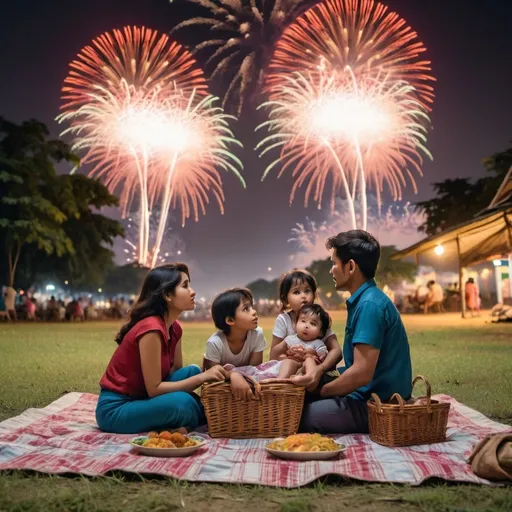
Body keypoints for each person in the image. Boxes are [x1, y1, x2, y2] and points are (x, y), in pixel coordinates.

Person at [296, 230, 412, 434]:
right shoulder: (367, 299)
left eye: (334, 263)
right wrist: (320, 373)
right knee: (298, 390)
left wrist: (322, 391)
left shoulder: (369, 306)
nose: (331, 270)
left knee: (295, 416)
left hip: (377, 404)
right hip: (368, 392)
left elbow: (360, 374)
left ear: (350, 266)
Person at [95, 263, 227, 434]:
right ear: (167, 295)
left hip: (142, 396)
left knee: (192, 371)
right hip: (116, 409)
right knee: (183, 403)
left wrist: (200, 375)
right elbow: (155, 389)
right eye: (185, 286)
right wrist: (203, 378)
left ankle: (189, 417)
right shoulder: (151, 328)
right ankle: (199, 415)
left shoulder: (175, 327)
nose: (192, 291)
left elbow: (174, 373)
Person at [269, 269, 342, 383]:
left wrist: (319, 365)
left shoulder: (320, 319)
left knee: (310, 364)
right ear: (285, 298)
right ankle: (281, 385)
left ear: (314, 294)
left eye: (307, 291)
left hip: (314, 370)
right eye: (296, 292)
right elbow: (273, 355)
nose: (303, 296)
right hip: (289, 371)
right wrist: (292, 357)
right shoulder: (283, 320)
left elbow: (336, 351)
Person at [203, 288, 267, 401]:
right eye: (246, 309)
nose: (254, 311)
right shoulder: (215, 343)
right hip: (223, 398)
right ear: (230, 320)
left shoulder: (257, 334)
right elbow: (213, 378)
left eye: (251, 306)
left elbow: (255, 371)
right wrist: (232, 375)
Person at [271, 304, 330, 379]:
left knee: (309, 361)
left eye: (313, 323)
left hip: (305, 372)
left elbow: (323, 361)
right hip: (292, 370)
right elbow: (274, 353)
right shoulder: (290, 339)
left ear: (321, 332)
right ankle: (281, 380)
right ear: (295, 325)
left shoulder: (318, 344)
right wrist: (286, 356)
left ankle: (308, 378)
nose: (306, 326)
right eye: (303, 321)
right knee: (287, 362)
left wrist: (313, 355)